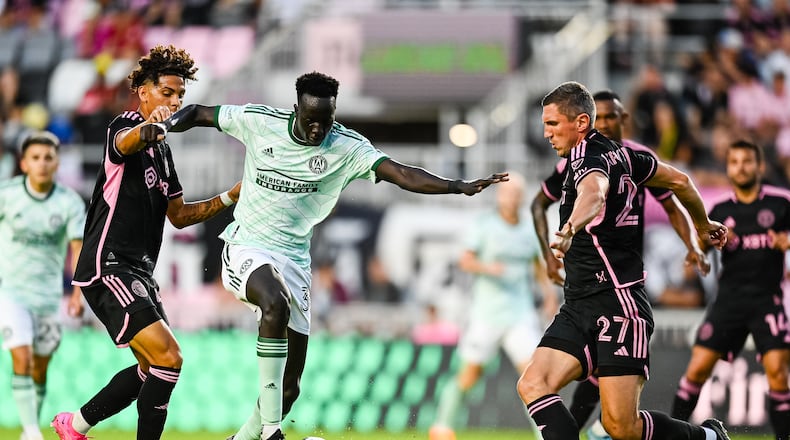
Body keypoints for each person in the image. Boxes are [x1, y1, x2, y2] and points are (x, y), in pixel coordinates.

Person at [147, 71, 507, 440]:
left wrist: (456, 186)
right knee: (274, 301)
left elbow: (401, 174)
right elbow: (200, 113)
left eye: (326, 121)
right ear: (295, 110)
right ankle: (272, 432)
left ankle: (245, 438)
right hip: (247, 246)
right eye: (310, 121)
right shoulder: (259, 122)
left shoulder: (346, 148)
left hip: (295, 262)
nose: (318, 129)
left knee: (289, 391)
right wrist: (165, 126)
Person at [516, 81, 730, 440]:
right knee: (533, 383)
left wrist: (570, 227)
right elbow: (679, 180)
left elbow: (594, 193)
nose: (546, 133)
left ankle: (708, 438)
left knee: (621, 427)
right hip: (580, 303)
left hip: (619, 304)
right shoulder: (626, 155)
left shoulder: (590, 160)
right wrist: (702, 222)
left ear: (581, 122)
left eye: (553, 124)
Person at [50, 45, 241, 440]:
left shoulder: (164, 153)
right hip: (109, 265)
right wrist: (152, 126)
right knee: (169, 358)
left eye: (180, 96)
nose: (174, 102)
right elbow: (129, 141)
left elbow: (180, 215)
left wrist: (229, 197)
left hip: (140, 271)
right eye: (167, 92)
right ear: (144, 91)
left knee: (151, 369)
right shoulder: (122, 127)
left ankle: (75, 425)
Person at [671, 140, 790, 440]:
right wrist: (705, 244)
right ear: (728, 168)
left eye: (747, 161)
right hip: (729, 301)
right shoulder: (720, 210)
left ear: (759, 166)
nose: (741, 167)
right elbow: (699, 248)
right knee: (696, 371)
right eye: (734, 162)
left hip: (767, 300)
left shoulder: (780, 205)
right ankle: (671, 435)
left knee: (778, 374)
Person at [429, 171, 558, 440]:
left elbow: (537, 265)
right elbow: (465, 260)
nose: (512, 199)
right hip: (486, 314)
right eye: (508, 193)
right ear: (500, 196)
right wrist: (489, 268)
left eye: (517, 194)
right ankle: (442, 426)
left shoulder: (529, 227)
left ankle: (543, 434)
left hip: (520, 314)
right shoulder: (484, 224)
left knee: (533, 378)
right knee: (469, 375)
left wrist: (549, 295)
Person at [0, 131, 86, 440]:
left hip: (48, 298)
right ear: (23, 163)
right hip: (10, 292)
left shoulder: (68, 203)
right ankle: (33, 431)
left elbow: (78, 250)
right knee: (21, 357)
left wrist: (77, 294)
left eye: (48, 158)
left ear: (57, 163)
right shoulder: (7, 194)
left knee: (40, 366)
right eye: (35, 158)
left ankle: (29, 428)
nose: (42, 164)